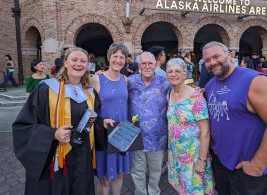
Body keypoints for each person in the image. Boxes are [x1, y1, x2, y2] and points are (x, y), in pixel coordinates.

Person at [202, 41, 267, 195]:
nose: (212, 62)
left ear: (229, 55)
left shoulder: (255, 81)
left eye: (216, 56)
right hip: (220, 163)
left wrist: (257, 166)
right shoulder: (210, 85)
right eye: (207, 60)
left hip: (247, 168)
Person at [12, 47, 99, 195]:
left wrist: (103, 123)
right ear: (65, 62)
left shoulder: (90, 93)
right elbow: (24, 125)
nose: (79, 64)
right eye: (74, 60)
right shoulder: (47, 89)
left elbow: (95, 119)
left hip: (82, 158)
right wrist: (53, 134)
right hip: (56, 157)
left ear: (87, 65)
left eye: (83, 61)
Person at [166, 58, 214, 195]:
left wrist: (201, 160)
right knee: (182, 189)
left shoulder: (196, 96)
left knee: (195, 190)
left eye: (177, 71)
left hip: (193, 156)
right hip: (176, 154)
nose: (173, 74)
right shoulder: (170, 94)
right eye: (170, 71)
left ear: (185, 74)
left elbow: (205, 131)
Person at [128, 51, 170, 195]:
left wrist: (197, 89)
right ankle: (140, 192)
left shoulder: (164, 82)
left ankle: (153, 192)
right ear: (139, 65)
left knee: (155, 170)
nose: (147, 66)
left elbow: (180, 91)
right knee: (137, 171)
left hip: (158, 137)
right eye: (143, 63)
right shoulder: (130, 81)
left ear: (155, 64)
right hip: (136, 136)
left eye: (150, 63)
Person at [91, 43, 131, 195]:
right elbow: (88, 106)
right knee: (105, 177)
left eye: (122, 57)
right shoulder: (96, 79)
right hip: (104, 134)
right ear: (109, 57)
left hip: (122, 133)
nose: (118, 60)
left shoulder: (126, 80)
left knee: (119, 174)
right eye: (115, 56)